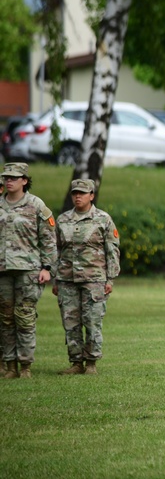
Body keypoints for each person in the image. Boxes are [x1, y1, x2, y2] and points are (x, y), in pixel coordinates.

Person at [52, 179, 120, 375]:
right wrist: (55, 278)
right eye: (75, 193)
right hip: (67, 279)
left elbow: (112, 250)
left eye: (82, 193)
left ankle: (91, 363)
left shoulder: (103, 219)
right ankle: (75, 362)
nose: (78, 196)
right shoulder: (63, 220)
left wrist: (110, 279)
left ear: (92, 195)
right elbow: (56, 250)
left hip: (94, 279)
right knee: (70, 322)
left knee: (92, 321)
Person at [0, 162, 57, 379]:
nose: (9, 181)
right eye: (6, 177)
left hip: (28, 270)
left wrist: (47, 267)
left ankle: (25, 366)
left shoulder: (36, 205)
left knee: (24, 317)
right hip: (3, 270)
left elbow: (49, 239)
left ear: (24, 180)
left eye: (13, 177)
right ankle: (9, 365)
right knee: (5, 319)